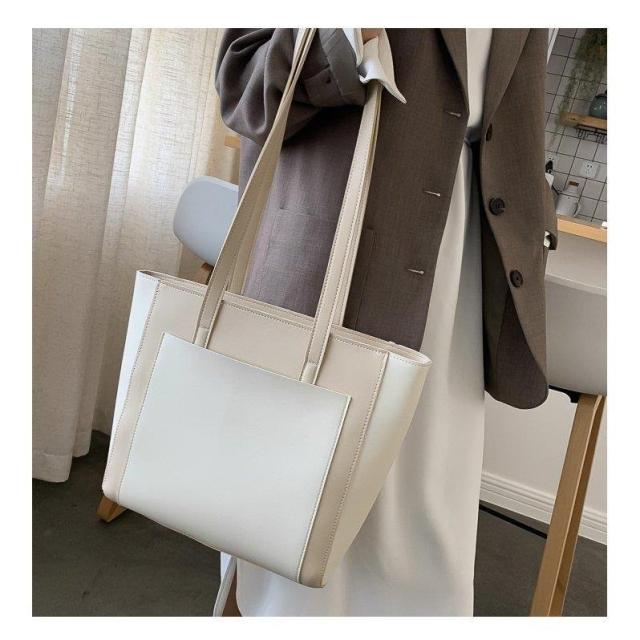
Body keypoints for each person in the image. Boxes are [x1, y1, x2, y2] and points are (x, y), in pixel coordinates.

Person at [213, 27, 557, 616]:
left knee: (424, 506)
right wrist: (350, 36)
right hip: (335, 252)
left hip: (462, 269)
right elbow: (243, 86)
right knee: (300, 502)